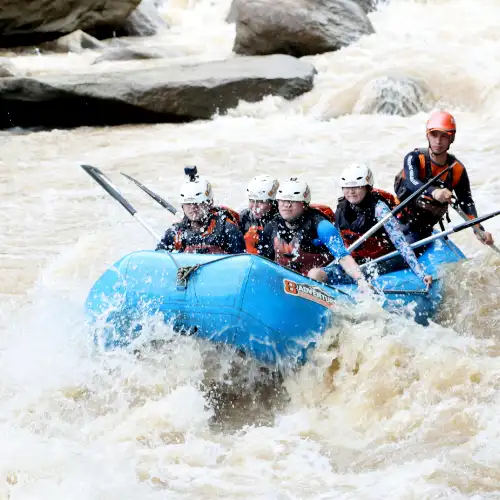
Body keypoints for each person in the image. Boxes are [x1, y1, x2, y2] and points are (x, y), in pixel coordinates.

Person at [308, 164, 432, 287]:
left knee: (353, 273)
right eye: (347, 187)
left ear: (367, 187)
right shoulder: (341, 208)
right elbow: (337, 242)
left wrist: (421, 274)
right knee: (315, 274)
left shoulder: (379, 209)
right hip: (354, 261)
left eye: (357, 186)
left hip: (382, 260)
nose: (351, 191)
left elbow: (401, 243)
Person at [394, 110, 494, 245]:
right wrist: (434, 192)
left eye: (444, 136)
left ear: (451, 139)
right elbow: (412, 182)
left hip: (422, 229)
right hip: (397, 219)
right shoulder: (414, 158)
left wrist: (479, 230)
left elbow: (466, 203)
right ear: (428, 136)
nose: (438, 141)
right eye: (434, 135)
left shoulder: (457, 170)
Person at [258, 177, 369, 286]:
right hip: (293, 278)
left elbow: (343, 257)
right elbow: (262, 262)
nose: (286, 205)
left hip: (327, 273)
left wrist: (360, 280)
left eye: (292, 201)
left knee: (314, 274)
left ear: (304, 204)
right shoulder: (271, 227)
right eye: (283, 200)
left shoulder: (321, 225)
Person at [157, 167, 245, 254]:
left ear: (209, 203)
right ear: (182, 206)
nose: (193, 207)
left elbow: (242, 262)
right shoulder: (176, 233)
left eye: (198, 203)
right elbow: (157, 259)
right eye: (188, 203)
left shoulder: (227, 230)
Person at [239, 175, 280, 254]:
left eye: (261, 201)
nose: (255, 207)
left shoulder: (281, 221)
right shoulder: (244, 216)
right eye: (251, 200)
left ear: (272, 202)